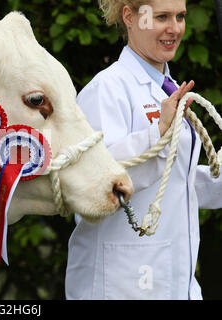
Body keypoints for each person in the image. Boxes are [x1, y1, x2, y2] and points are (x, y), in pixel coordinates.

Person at [65, 0, 222, 300]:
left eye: (180, 16)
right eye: (162, 17)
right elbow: (97, 182)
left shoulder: (169, 88)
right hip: (120, 286)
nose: (174, 28)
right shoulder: (106, 89)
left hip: (178, 285)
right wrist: (157, 133)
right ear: (129, 17)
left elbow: (180, 185)